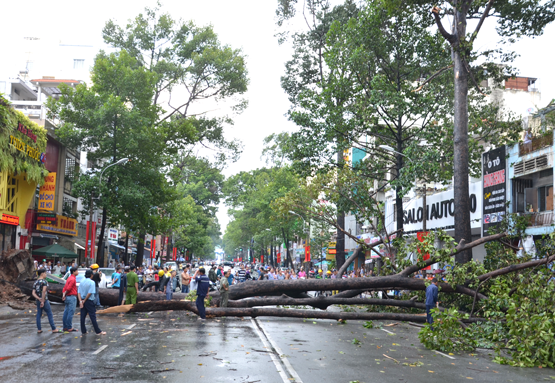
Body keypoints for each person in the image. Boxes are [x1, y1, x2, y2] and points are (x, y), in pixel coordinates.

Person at [78, 270, 106, 335]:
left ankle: (83, 330)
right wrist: (85, 300)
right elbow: (90, 293)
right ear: (91, 275)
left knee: (82, 316)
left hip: (82, 299)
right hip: (89, 300)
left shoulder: (81, 282)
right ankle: (98, 331)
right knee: (92, 316)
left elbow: (78, 292)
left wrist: (80, 301)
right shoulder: (92, 282)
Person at [32, 269, 59, 333]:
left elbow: (33, 293)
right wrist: (42, 300)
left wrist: (39, 299)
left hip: (38, 300)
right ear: (42, 274)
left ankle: (39, 329)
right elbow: (44, 291)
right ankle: (53, 328)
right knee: (49, 313)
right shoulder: (44, 282)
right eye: (45, 273)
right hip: (45, 300)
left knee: (39, 314)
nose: (46, 275)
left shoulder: (35, 282)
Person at [62, 266, 79, 332]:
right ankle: (69, 327)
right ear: (74, 272)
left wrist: (64, 294)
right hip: (71, 297)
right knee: (70, 312)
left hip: (67, 297)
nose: (77, 272)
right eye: (77, 271)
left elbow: (65, 287)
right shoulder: (73, 279)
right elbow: (68, 288)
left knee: (66, 311)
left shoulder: (69, 278)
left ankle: (65, 326)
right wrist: (65, 293)